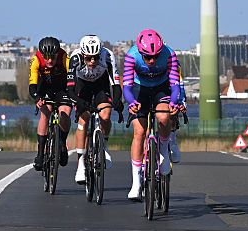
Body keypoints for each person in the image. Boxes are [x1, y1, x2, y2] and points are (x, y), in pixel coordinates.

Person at [122, 29, 181, 201]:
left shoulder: (170, 54)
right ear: (140, 53)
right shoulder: (131, 56)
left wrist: (174, 102)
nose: (152, 60)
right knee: (139, 133)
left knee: (163, 117)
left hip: (161, 88)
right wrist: (131, 102)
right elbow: (126, 86)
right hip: (139, 89)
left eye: (155, 56)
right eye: (147, 57)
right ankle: (136, 183)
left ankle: (163, 149)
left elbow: (175, 84)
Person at [67, 34, 124, 184]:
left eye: (96, 58)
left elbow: (116, 84)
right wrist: (79, 103)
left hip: (101, 84)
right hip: (82, 85)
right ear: (82, 55)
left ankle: (103, 146)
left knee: (105, 114)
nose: (92, 61)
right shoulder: (75, 58)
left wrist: (117, 101)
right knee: (83, 121)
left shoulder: (108, 56)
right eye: (88, 58)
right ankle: (80, 164)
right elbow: (70, 90)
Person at [29, 36, 73, 170]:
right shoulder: (36, 60)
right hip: (45, 88)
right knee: (45, 113)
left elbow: (73, 78)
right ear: (42, 55)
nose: (49, 60)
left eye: (52, 57)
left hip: (62, 88)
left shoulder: (65, 58)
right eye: (46, 57)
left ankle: (62, 144)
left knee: (65, 113)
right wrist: (37, 98)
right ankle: (40, 154)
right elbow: (32, 85)